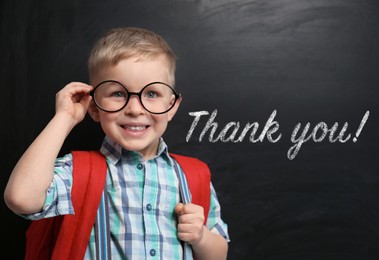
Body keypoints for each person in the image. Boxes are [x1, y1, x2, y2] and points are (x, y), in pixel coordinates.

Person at [4, 27, 229, 259]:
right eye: (118, 94)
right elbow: (21, 198)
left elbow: (219, 254)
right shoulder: (79, 172)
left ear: (171, 106)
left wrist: (200, 236)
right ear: (94, 107)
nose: (134, 109)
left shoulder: (194, 176)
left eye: (151, 94)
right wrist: (65, 118)